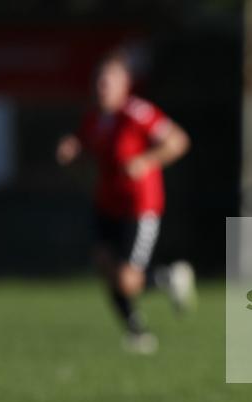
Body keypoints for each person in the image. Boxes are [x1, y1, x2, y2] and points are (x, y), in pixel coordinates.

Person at [56, 51, 193, 354]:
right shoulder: (94, 118)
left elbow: (178, 141)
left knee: (128, 280)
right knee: (104, 265)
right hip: (106, 202)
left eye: (109, 81)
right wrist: (71, 152)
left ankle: (167, 278)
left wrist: (146, 160)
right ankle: (136, 331)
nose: (102, 87)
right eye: (99, 81)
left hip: (139, 206)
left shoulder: (137, 113)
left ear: (125, 84)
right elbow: (83, 151)